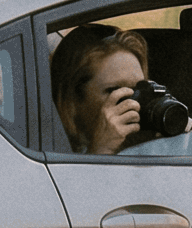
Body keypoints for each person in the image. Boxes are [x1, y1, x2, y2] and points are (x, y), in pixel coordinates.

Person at [51, 23, 152, 156]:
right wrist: (102, 150)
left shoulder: (149, 139)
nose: (132, 103)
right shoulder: (49, 150)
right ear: (72, 102)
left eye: (139, 88)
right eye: (114, 91)